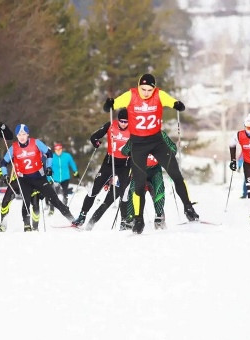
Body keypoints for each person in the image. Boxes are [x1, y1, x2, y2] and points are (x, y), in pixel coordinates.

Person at [103, 73, 199, 234]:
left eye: (149, 89)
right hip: (138, 145)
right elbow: (115, 103)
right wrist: (110, 104)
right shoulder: (131, 95)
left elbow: (171, 101)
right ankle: (138, 220)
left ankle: (188, 208)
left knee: (176, 174)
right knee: (139, 185)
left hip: (157, 142)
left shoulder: (159, 94)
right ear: (138, 86)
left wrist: (177, 104)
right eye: (143, 89)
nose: (146, 92)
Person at [0, 124, 75, 231]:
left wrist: (48, 167)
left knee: (54, 199)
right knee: (25, 202)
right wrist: (5, 174)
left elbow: (49, 153)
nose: (22, 136)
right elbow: (3, 162)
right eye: (19, 134)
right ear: (16, 136)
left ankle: (72, 220)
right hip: (24, 179)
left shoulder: (36, 143)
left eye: (24, 134)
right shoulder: (14, 147)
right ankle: (27, 225)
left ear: (28, 134)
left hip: (39, 178)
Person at [72, 108, 131, 230]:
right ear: (118, 120)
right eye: (122, 121)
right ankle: (82, 215)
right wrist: (96, 142)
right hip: (109, 163)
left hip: (125, 165)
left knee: (124, 193)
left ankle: (124, 221)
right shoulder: (110, 124)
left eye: (126, 121)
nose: (124, 123)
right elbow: (94, 137)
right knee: (94, 190)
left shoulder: (134, 130)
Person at [120, 131, 178, 230]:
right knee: (134, 192)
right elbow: (124, 150)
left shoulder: (160, 134)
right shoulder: (136, 134)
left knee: (159, 189)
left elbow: (173, 148)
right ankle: (130, 219)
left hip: (154, 170)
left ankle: (159, 217)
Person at [48, 142, 78, 214]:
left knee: (65, 193)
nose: (58, 151)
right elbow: (49, 168)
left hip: (65, 178)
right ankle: (51, 209)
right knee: (53, 194)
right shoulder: (52, 157)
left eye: (59, 149)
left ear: (62, 149)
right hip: (55, 178)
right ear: (54, 150)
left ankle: (65, 207)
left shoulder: (67, 156)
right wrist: (49, 179)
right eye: (56, 150)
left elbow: (72, 163)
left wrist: (75, 171)